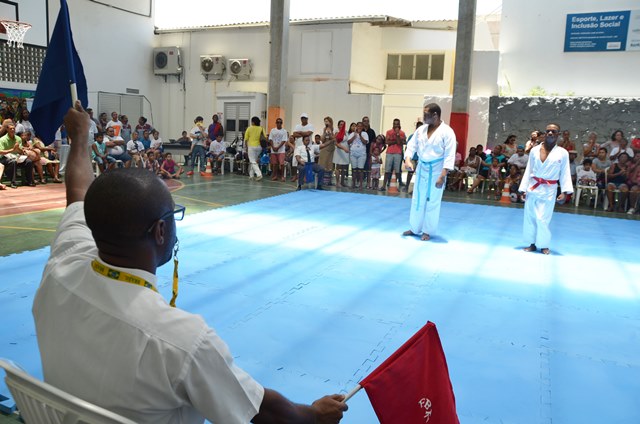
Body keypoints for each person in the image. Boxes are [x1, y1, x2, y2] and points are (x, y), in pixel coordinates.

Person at [33, 101, 348, 424]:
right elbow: (258, 409)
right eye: (173, 215)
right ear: (160, 231)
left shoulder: (63, 263)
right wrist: (313, 415)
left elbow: (78, 191)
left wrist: (80, 138)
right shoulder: (180, 340)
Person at [402, 102, 456, 241]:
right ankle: (415, 228)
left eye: (426, 115)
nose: (423, 117)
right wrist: (407, 159)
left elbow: (450, 155)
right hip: (422, 167)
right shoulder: (421, 130)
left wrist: (442, 175)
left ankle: (427, 230)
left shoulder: (447, 132)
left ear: (435, 115)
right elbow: (411, 145)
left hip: (437, 169)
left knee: (432, 200)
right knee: (417, 199)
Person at [519, 123, 573, 255]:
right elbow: (528, 170)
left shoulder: (563, 153)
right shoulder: (534, 150)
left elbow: (565, 173)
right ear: (544, 133)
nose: (550, 133)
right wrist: (523, 188)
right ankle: (531, 243)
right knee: (530, 217)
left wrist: (564, 192)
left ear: (558, 135)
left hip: (549, 189)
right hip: (533, 186)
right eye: (548, 131)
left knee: (543, 218)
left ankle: (543, 244)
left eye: (553, 131)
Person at [382, 119, 406, 191]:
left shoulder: (402, 133)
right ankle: (383, 185)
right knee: (387, 169)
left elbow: (400, 143)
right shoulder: (388, 132)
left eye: (397, 124)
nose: (396, 125)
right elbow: (387, 142)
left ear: (399, 124)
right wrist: (395, 141)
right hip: (389, 152)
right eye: (395, 124)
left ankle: (396, 186)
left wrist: (397, 135)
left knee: (397, 170)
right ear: (393, 124)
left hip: (398, 152)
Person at [244, 116, 266, 181]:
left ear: (253, 122)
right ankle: (251, 175)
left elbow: (246, 139)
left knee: (252, 161)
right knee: (254, 161)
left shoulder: (249, 128)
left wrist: (246, 147)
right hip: (259, 147)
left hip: (251, 147)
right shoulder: (261, 128)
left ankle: (259, 174)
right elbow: (265, 137)